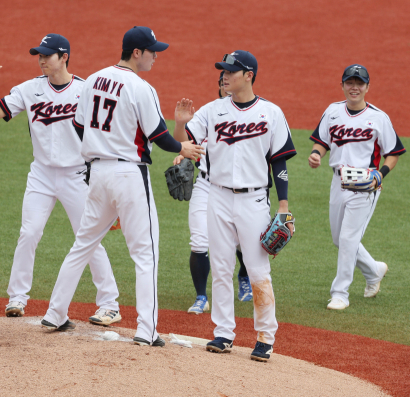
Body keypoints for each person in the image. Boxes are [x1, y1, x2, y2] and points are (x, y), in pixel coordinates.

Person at [41, 26, 202, 346]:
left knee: (83, 244)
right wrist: (183, 148)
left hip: (98, 175)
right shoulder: (141, 88)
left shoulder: (93, 80)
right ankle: (147, 330)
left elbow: (77, 125)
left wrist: (93, 158)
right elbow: (158, 135)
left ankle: (55, 313)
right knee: (146, 254)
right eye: (152, 51)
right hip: (129, 176)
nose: (156, 56)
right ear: (137, 53)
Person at [0, 35, 122, 325]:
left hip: (77, 175)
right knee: (29, 232)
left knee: (89, 238)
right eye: (39, 55)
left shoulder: (86, 91)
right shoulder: (30, 89)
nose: (42, 60)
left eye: (48, 55)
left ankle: (109, 304)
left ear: (64, 56)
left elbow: (106, 133)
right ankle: (17, 298)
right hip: (42, 174)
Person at [174, 50, 296, 362]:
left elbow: (279, 162)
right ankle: (223, 332)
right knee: (222, 267)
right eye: (223, 71)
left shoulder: (271, 113)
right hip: (217, 196)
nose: (225, 76)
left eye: (231, 71)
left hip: (254, 199)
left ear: (249, 75)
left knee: (257, 270)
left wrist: (282, 204)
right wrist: (179, 126)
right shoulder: (212, 111)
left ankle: (265, 336)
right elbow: (185, 145)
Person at [309, 64, 405, 310]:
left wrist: (380, 176)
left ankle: (340, 293)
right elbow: (321, 141)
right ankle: (374, 270)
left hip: (365, 185)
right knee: (338, 239)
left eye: (359, 83)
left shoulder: (379, 118)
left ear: (367, 87)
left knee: (349, 237)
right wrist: (315, 154)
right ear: (342, 85)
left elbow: (393, 153)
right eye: (350, 83)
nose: (354, 87)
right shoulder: (332, 112)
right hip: (338, 181)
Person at [173, 71, 252, 316]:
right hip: (207, 186)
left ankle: (244, 277)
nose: (225, 84)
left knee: (243, 241)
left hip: (241, 189)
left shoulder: (253, 115)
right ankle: (201, 296)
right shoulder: (209, 114)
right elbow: (186, 143)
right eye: (222, 81)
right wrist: (181, 150)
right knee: (199, 241)